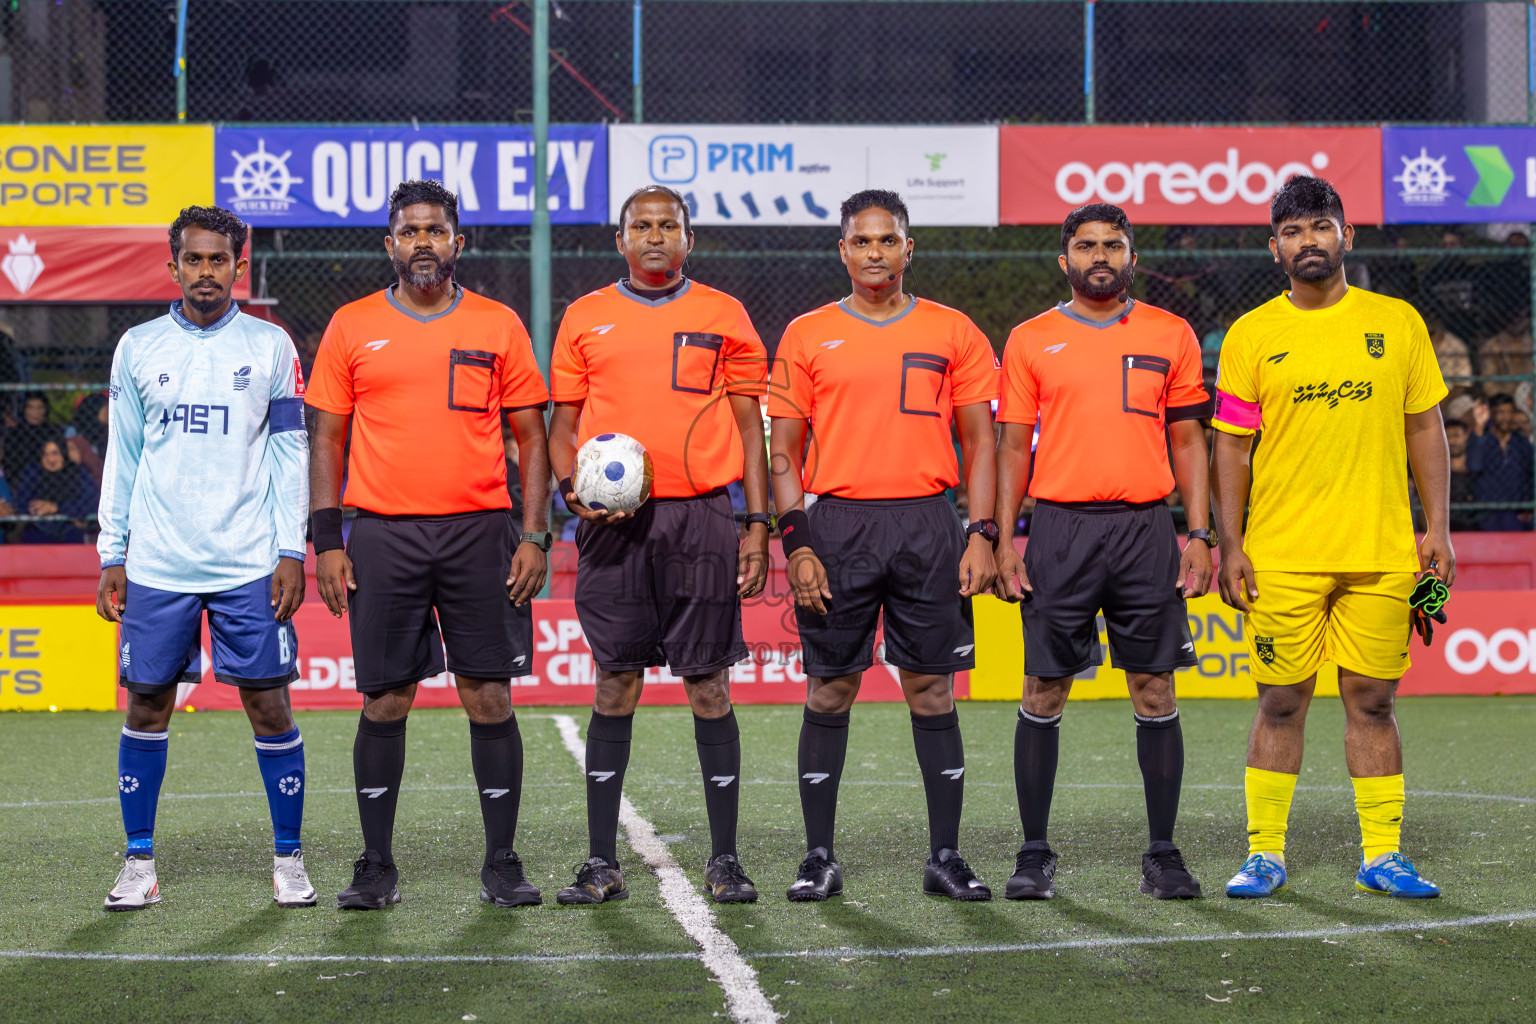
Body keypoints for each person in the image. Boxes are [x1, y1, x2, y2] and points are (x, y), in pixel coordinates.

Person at [306, 180, 553, 911]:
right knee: (386, 698)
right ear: (389, 245)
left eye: (435, 230)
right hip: (383, 534)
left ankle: (502, 863)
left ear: (457, 242)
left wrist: (535, 534)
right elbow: (326, 436)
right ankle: (376, 865)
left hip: (481, 533)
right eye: (409, 230)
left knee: (488, 694)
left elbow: (532, 438)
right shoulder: (352, 326)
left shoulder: (498, 323)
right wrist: (328, 541)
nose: (423, 241)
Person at [1213, 176, 1452, 900]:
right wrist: (1231, 544)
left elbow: (1424, 429)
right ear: (1273, 248)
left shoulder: (1398, 322)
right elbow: (1231, 448)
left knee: (1372, 702)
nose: (1307, 241)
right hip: (1282, 557)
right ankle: (1265, 855)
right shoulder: (1251, 334)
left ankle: (1383, 856)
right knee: (1281, 702)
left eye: (1320, 226)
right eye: (1292, 231)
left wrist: (1437, 526)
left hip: (1382, 556)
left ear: (1347, 236)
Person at [769, 189, 999, 902]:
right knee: (831, 687)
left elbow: (981, 441)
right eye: (861, 241)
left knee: (931, 688)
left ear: (908, 248)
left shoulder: (954, 330)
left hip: (929, 524)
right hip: (838, 525)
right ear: (842, 251)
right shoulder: (806, 333)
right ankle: (818, 857)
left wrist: (982, 533)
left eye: (888, 240)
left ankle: (945, 857)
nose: (875, 252)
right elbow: (783, 453)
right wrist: (798, 544)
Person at [548, 184, 771, 906]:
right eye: (640, 226)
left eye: (666, 225)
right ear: (620, 240)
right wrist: (567, 487)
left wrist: (756, 522)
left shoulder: (724, 315)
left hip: (700, 520)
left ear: (687, 238)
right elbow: (561, 426)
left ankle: (726, 859)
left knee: (708, 684)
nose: (653, 236)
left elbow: (749, 431)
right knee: (616, 682)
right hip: (613, 529)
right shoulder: (585, 317)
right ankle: (600, 862)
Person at [993, 202, 1213, 902]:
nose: (1099, 256)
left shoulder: (1171, 333)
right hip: (1059, 529)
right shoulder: (1030, 339)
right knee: (1044, 688)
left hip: (1146, 529)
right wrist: (1002, 538)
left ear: (1131, 258)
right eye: (1085, 245)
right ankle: (1032, 854)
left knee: (1155, 687)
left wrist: (1200, 533)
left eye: (1112, 246)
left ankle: (1162, 854)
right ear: (1064, 259)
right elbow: (1009, 450)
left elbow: (1188, 442)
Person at [95, 206, 312, 910]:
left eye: (220, 260)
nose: (207, 272)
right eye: (195, 259)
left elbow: (289, 452)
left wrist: (290, 547)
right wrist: (112, 552)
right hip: (158, 562)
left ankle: (288, 858)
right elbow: (122, 455)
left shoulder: (272, 346)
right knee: (148, 703)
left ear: (238, 266)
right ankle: (137, 862)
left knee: (268, 704)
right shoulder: (137, 347)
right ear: (174, 265)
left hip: (249, 559)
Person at [1467, 394, 1535, 531]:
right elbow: (1473, 466)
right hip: (1486, 513)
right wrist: (1479, 427)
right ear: (1492, 414)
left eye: (1510, 412)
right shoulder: (1481, 438)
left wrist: (1528, 506)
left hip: (1516, 514)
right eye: (1501, 412)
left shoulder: (1521, 442)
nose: (1506, 417)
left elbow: (1530, 475)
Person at [17, 438, 97, 543]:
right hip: (38, 532)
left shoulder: (78, 473)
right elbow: (20, 503)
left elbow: (91, 502)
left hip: (71, 533)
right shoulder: (33, 474)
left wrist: (56, 507)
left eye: (55, 453)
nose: (50, 459)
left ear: (64, 454)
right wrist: (33, 506)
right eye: (45, 454)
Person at [4, 392, 60, 482]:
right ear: (24, 409)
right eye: (30, 407)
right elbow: (9, 463)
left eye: (39, 408)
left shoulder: (53, 431)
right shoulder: (15, 433)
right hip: (19, 479)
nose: (34, 412)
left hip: (48, 477)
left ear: (45, 410)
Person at [67, 391, 110, 485]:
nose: (110, 412)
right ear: (94, 410)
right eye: (106, 409)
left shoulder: (109, 432)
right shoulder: (74, 433)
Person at [1443, 418, 1479, 533]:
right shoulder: (1438, 471)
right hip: (1447, 528)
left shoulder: (1477, 467)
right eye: (1448, 437)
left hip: (1477, 528)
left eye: (1456, 436)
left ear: (1466, 437)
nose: (1452, 442)